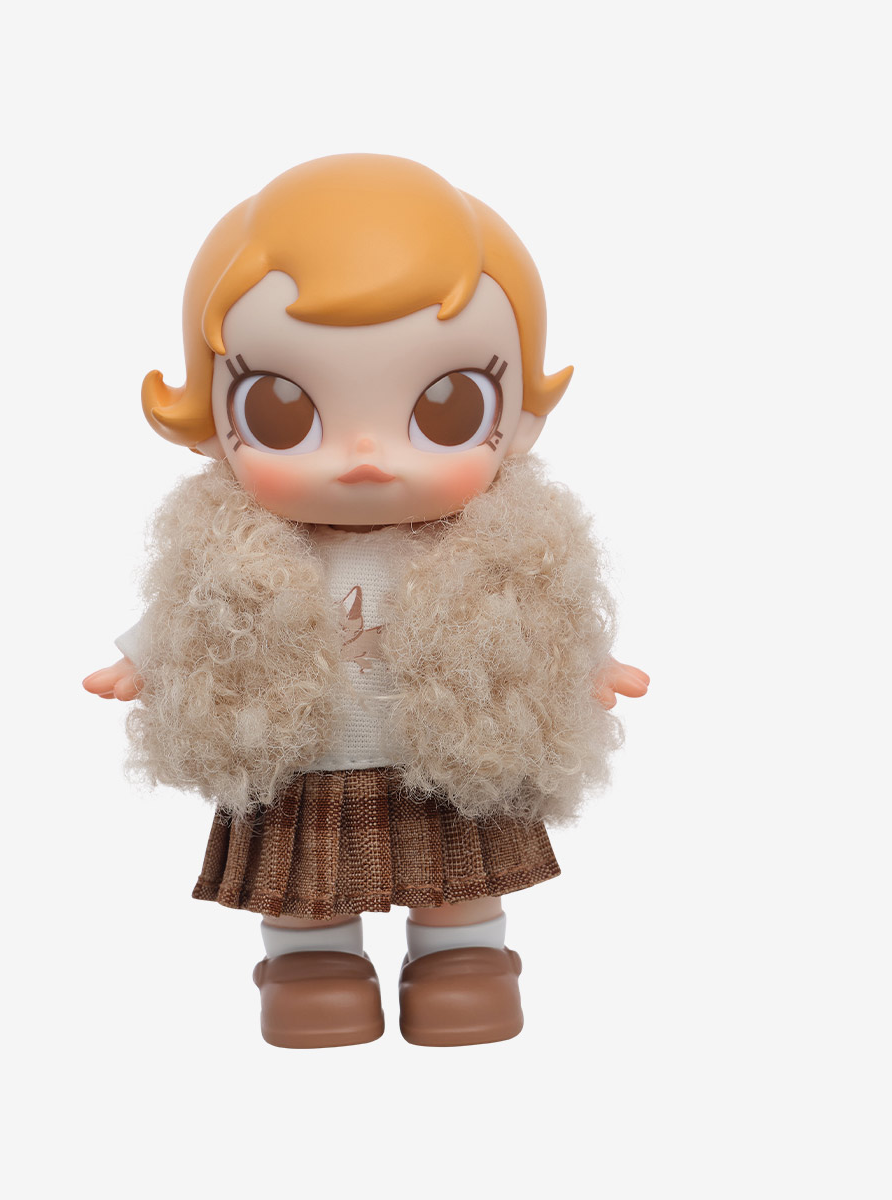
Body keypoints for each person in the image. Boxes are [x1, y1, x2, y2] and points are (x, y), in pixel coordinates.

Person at [84, 154, 649, 1047]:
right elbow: (195, 617)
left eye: (448, 407)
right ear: (211, 424)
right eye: (279, 411)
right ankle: (311, 966)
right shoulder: (239, 555)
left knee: (458, 872)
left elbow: (541, 617)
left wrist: (586, 663)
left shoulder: (502, 549)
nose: (364, 456)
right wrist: (143, 659)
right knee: (305, 883)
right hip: (305, 756)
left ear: (521, 419)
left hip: (451, 752)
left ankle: (463, 959)